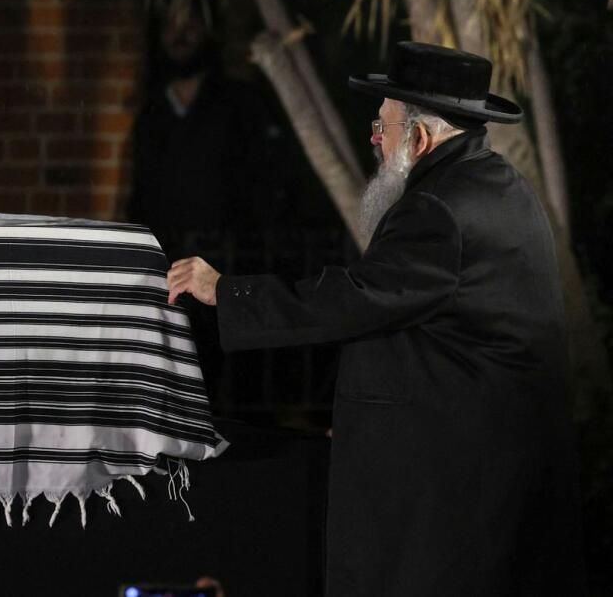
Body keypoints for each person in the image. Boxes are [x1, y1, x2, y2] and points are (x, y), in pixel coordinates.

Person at [167, 42, 585, 595]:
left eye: (381, 126)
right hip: (493, 475)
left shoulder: (438, 209)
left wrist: (225, 291)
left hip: (458, 494)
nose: (374, 140)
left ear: (419, 138)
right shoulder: (499, 185)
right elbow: (440, 334)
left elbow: (356, 299)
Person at [126, 0, 337, 409]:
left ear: (208, 30)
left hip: (230, 271)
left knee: (239, 399)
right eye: (171, 25)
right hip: (170, 275)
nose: (180, 35)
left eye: (190, 23)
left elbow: (266, 192)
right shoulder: (152, 113)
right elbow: (141, 198)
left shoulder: (239, 104)